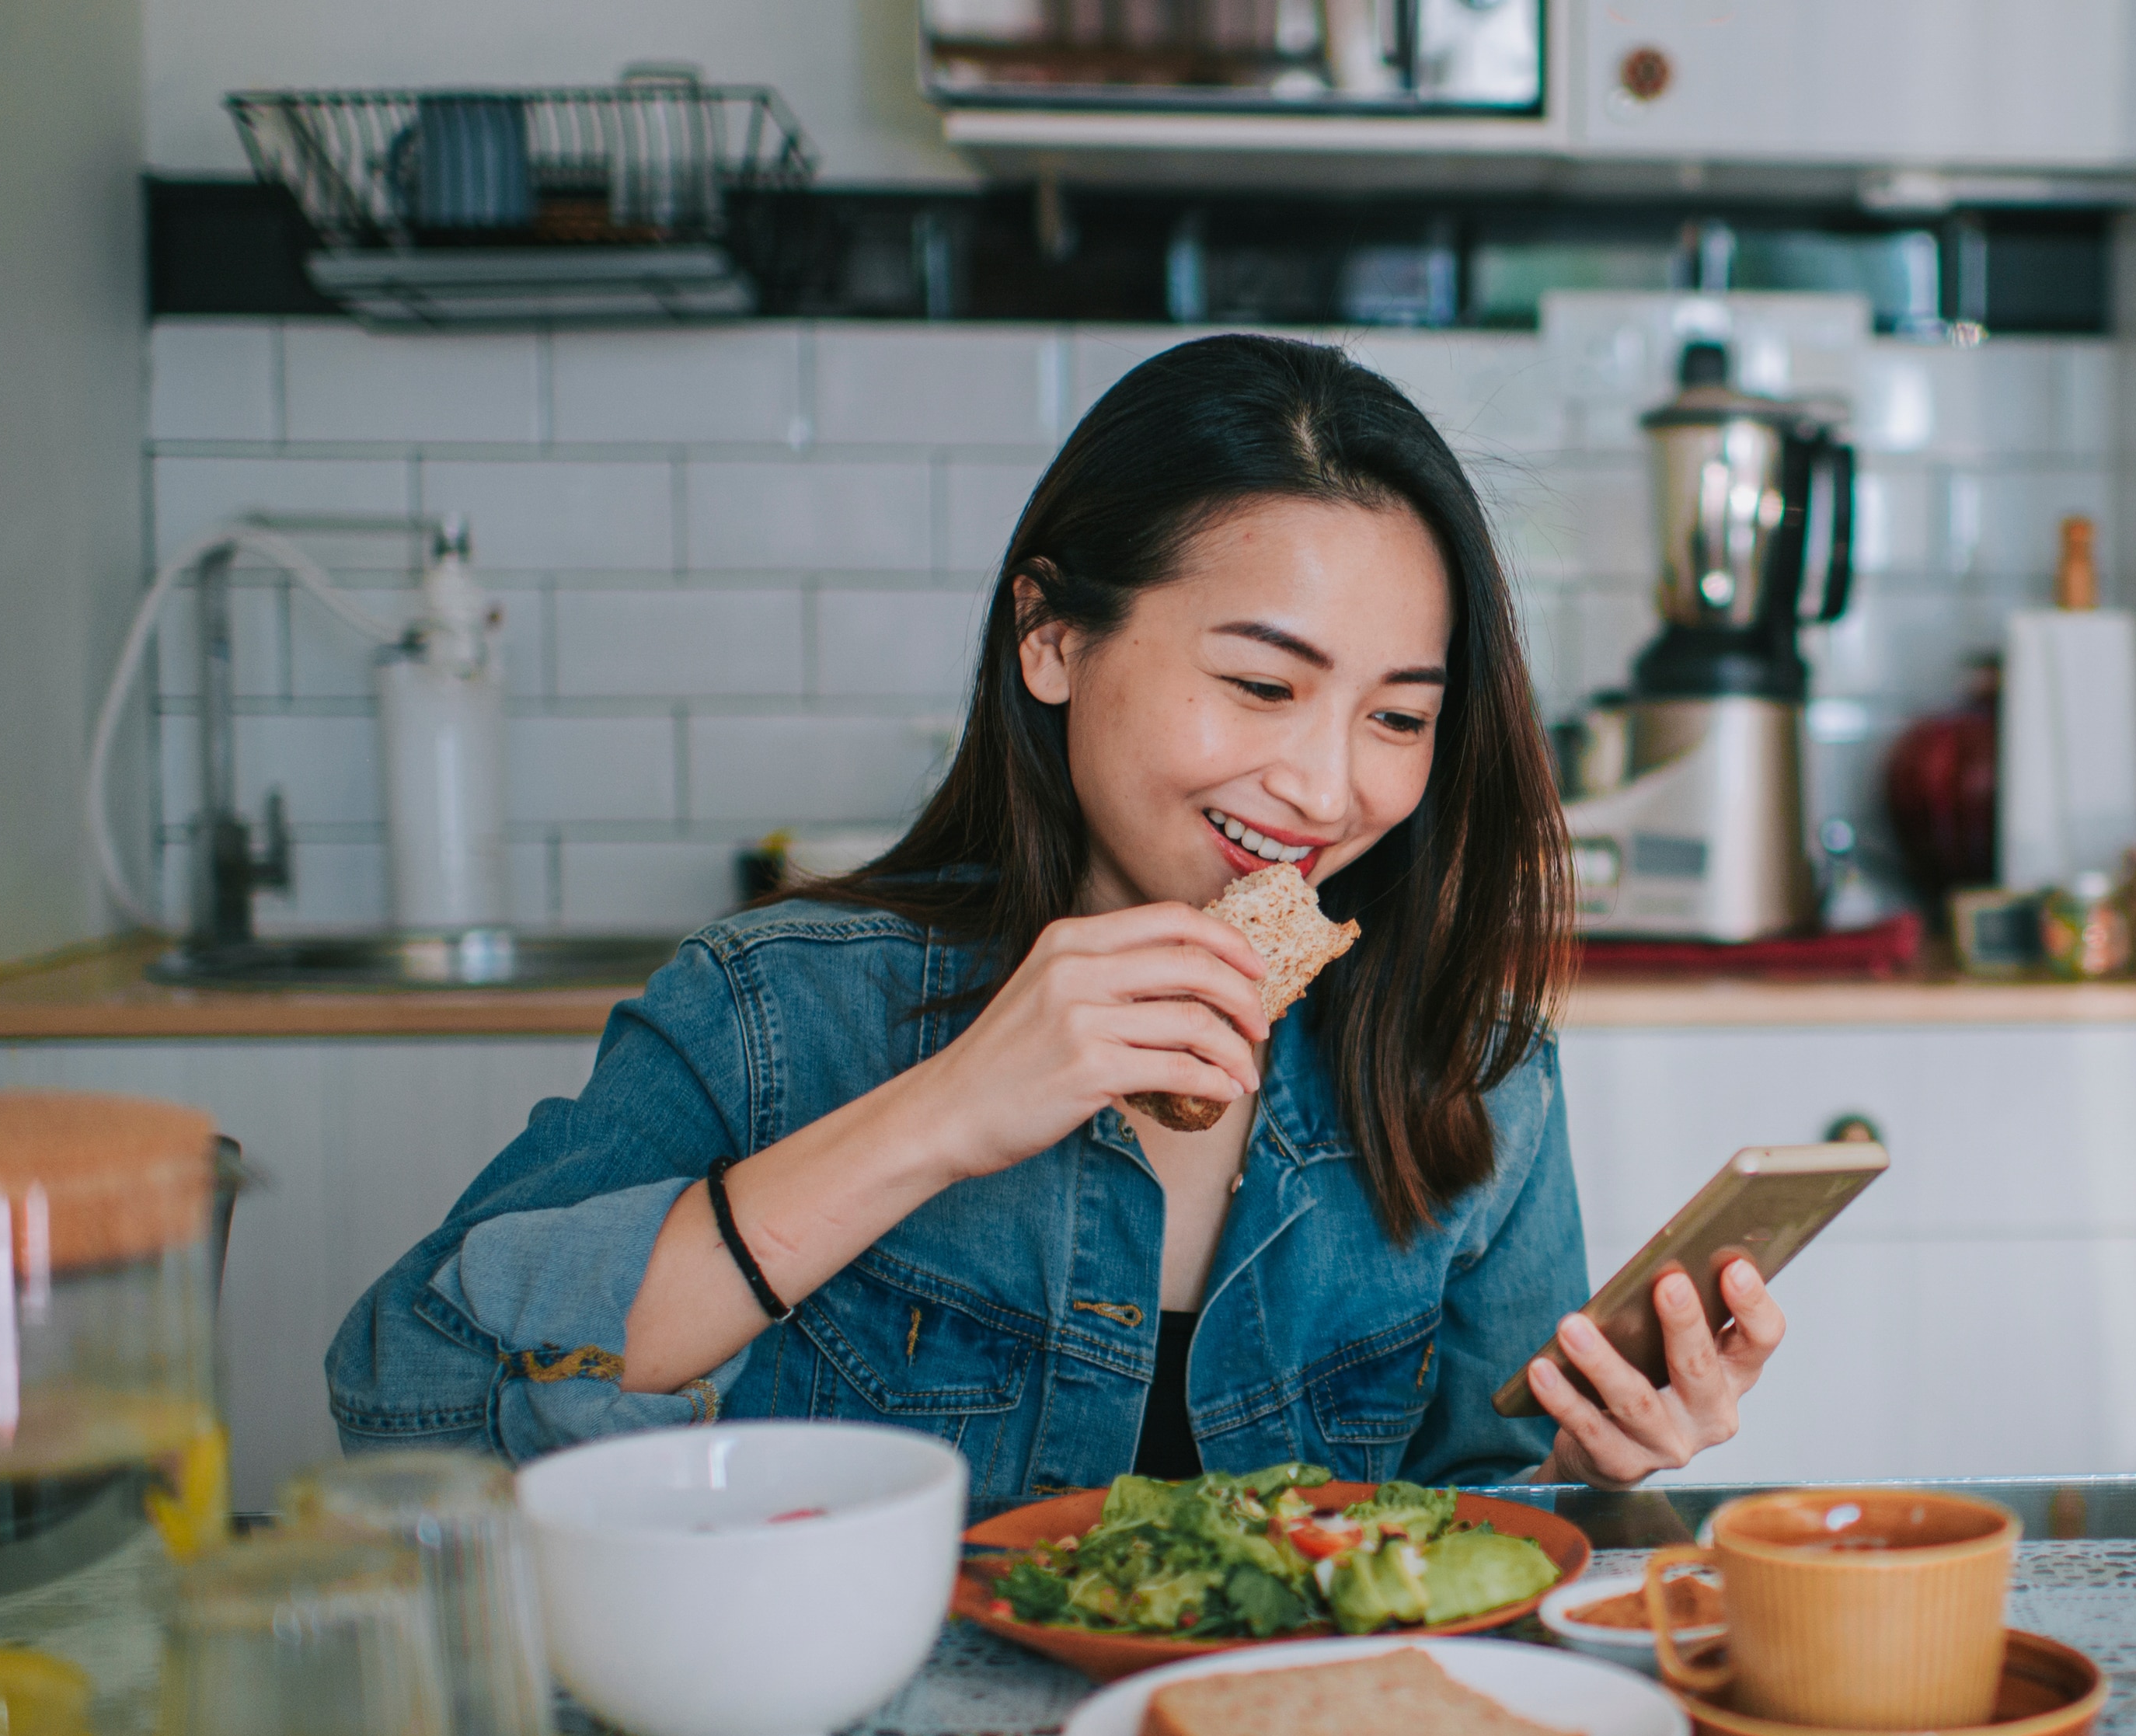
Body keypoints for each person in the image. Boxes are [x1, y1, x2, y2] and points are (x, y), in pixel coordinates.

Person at [326, 333, 1789, 1511]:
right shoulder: (777, 1013)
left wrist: (1593, 1478)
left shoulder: (1467, 1065)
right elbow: (414, 1403)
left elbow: (1468, 1513)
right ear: (1052, 637)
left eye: (1398, 715)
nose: (1326, 788)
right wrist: (949, 1110)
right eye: (1264, 687)